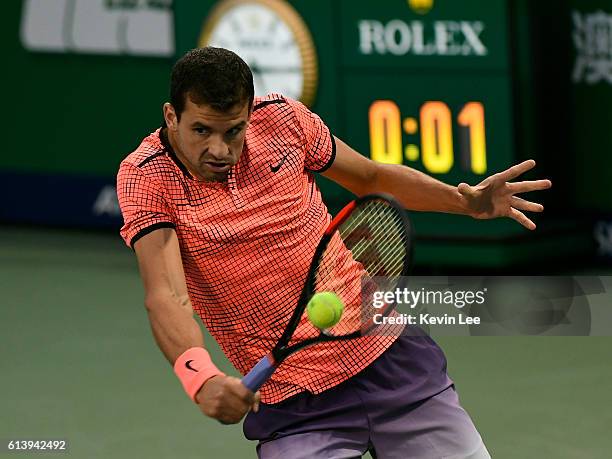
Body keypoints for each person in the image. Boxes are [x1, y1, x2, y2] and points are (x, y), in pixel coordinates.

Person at [116, 47, 551, 458]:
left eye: (234, 130)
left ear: (249, 114)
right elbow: (167, 295)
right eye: (202, 131)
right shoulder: (146, 177)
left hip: (388, 358)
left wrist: (467, 203)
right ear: (171, 116)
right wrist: (201, 378)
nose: (219, 149)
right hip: (295, 402)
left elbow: (371, 177)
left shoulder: (283, 120)